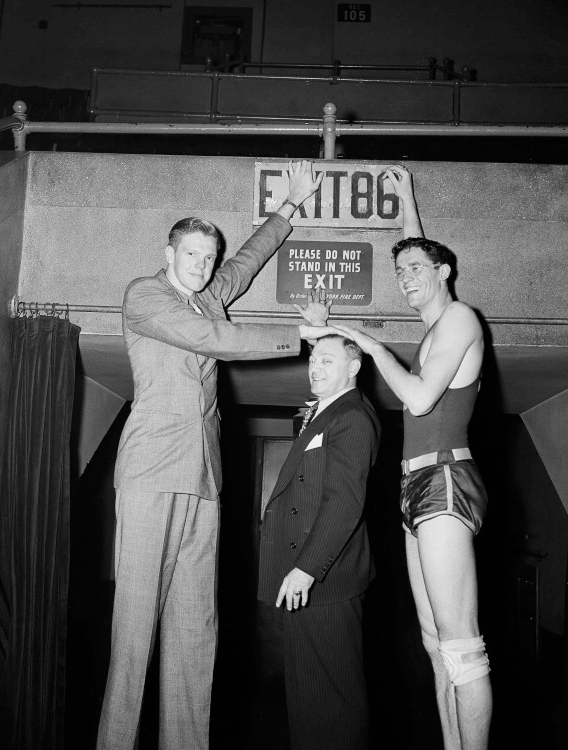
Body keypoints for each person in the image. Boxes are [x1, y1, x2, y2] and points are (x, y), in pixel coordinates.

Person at [96, 161, 333, 750]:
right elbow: (212, 340)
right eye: (192, 255)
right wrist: (298, 336)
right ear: (168, 252)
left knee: (195, 630)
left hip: (204, 478)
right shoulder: (146, 296)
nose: (202, 267)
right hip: (151, 473)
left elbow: (246, 263)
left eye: (208, 258)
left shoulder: (207, 295)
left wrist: (290, 205)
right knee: (134, 629)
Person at [335, 165, 492, 750]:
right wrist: (405, 199)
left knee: (460, 645)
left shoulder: (458, 319)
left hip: (446, 479)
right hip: (415, 485)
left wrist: (372, 345)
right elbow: (417, 252)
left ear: (445, 272)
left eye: (416, 271)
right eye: (398, 273)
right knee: (434, 643)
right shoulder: (432, 327)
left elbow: (423, 397)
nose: (404, 279)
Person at [257, 334, 380, 750]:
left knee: (333, 701)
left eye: (328, 360)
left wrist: (307, 569)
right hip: (304, 582)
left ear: (354, 367)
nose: (316, 366)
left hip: (325, 582)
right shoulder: (325, 414)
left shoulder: (352, 417)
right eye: (313, 359)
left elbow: (344, 503)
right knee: (310, 699)